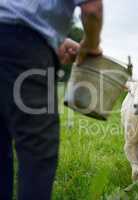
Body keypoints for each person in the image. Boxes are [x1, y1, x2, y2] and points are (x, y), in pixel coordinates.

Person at [0, 1, 103, 200]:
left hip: (21, 36)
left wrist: (56, 39)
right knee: (36, 150)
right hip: (25, 50)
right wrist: (90, 47)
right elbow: (92, 9)